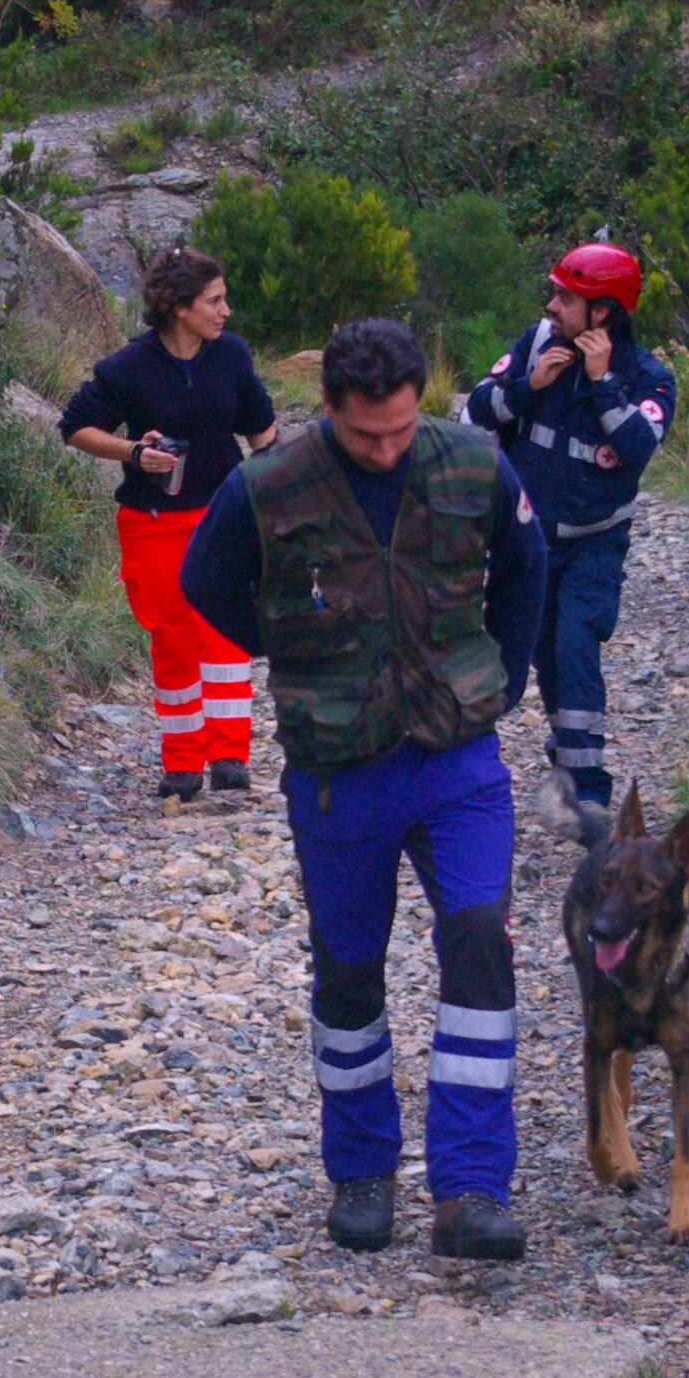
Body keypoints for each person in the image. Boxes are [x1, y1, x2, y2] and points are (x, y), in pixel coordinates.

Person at [180, 319, 547, 1261]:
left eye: (398, 429)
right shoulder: (266, 486)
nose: (385, 449)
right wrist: (300, 655)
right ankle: (362, 1171)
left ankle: (470, 1188)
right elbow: (206, 585)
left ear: (420, 398)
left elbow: (527, 573)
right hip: (340, 767)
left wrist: (501, 682)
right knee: (348, 970)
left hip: (458, 757)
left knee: (478, 944)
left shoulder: (474, 465)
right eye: (364, 435)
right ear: (330, 410)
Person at [60, 246, 279, 801]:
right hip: (152, 522)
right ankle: (182, 763)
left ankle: (230, 757)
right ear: (179, 308)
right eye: (215, 300)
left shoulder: (231, 355)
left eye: (224, 299)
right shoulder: (127, 367)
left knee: (225, 629)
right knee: (173, 635)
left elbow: (262, 430)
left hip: (223, 515)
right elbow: (75, 427)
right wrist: (134, 452)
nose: (226, 310)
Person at [462, 243, 676, 808]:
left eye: (566, 296)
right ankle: (529, 763)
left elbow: (636, 447)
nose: (552, 305)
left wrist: (603, 383)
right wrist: (527, 387)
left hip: (595, 543)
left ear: (601, 312)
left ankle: (588, 799)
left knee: (576, 644)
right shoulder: (535, 345)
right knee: (530, 652)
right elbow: (474, 414)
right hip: (526, 540)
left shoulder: (647, 377)